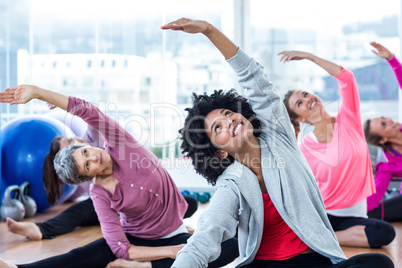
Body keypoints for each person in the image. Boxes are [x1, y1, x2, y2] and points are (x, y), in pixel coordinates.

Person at [161, 18, 394, 268]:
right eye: (217, 127)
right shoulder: (230, 184)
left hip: (314, 259)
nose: (228, 121)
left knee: (378, 263)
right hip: (265, 264)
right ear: (218, 153)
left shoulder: (279, 137)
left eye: (228, 113)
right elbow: (203, 240)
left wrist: (209, 30)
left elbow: (253, 77)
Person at [0, 85, 238, 268]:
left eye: (86, 152)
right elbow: (124, 249)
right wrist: (172, 251)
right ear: (86, 177)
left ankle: (150, 266)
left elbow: (86, 110)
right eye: (87, 165)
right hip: (143, 240)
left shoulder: (121, 144)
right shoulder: (99, 193)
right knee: (87, 254)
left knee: (237, 245)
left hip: (174, 229)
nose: (94, 158)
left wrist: (39, 93)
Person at [281, 48, 396, 248]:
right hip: (327, 214)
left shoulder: (348, 119)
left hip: (358, 215)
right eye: (300, 103)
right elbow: (297, 189)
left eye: (306, 94)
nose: (308, 99)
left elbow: (347, 78)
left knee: (384, 233)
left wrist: (310, 56)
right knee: (384, 233)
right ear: (299, 119)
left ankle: (316, 239)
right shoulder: (305, 149)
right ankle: (315, 235)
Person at [6, 134, 199, 241]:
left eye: (72, 142)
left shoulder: (94, 137)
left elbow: (91, 112)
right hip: (113, 208)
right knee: (80, 211)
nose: (76, 145)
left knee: (190, 203)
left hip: (147, 201)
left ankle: (171, 223)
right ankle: (40, 229)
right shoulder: (85, 174)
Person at [364, 41, 402, 221]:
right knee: (374, 213)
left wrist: (391, 59)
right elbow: (376, 196)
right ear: (382, 140)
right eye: (384, 125)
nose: (390, 121)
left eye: (384, 119)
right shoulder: (387, 165)